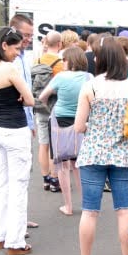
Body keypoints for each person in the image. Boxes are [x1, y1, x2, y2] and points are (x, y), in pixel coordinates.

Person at [72, 36, 128, 255]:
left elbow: (78, 126)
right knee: (124, 211)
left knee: (89, 212)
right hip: (124, 155)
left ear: (100, 59)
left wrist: (95, 129)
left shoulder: (90, 86)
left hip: (93, 154)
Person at [0, 27, 35, 255]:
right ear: (5, 45)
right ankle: (15, 241)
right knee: (19, 185)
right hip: (14, 130)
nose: (18, 53)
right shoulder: (10, 69)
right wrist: (22, 98)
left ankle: (1, 235)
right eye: (16, 48)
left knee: (0, 183)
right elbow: (30, 100)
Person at [39, 46, 93, 216]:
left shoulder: (60, 77)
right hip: (82, 120)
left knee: (62, 164)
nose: (62, 62)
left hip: (59, 121)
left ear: (70, 60)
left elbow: (42, 97)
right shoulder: (88, 77)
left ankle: (68, 206)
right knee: (79, 163)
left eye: (64, 59)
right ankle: (86, 205)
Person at [9, 14, 38, 229]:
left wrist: (31, 123)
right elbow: (21, 96)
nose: (28, 38)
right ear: (13, 30)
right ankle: (15, 226)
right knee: (16, 177)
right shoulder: (8, 59)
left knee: (21, 176)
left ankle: (19, 218)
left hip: (23, 122)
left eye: (30, 35)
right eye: (25, 34)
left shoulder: (22, 56)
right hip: (12, 124)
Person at [35, 30, 63, 192]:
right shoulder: (60, 63)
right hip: (55, 106)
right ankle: (54, 179)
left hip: (39, 105)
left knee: (43, 143)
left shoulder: (37, 60)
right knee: (55, 145)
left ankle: (45, 178)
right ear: (59, 44)